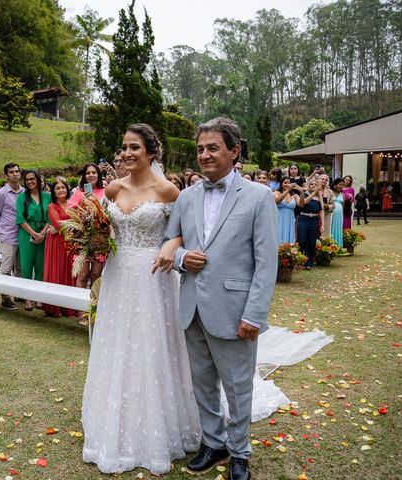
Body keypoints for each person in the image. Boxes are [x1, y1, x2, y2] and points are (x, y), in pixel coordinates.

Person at [161, 117, 278, 479]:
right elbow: (167, 241)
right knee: (202, 382)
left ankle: (240, 452)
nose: (205, 155)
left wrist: (254, 314)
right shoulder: (187, 196)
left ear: (234, 151)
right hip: (192, 305)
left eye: (213, 147)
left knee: (238, 386)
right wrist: (181, 258)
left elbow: (266, 261)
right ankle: (214, 443)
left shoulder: (258, 197)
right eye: (200, 149)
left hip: (236, 309)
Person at [82, 123, 201, 475]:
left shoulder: (169, 191)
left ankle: (160, 424)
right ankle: (112, 420)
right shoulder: (113, 188)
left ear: (151, 152)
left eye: (134, 147)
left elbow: (185, 233)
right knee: (117, 342)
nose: (127, 154)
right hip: (118, 275)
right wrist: (92, 243)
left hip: (153, 278)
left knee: (151, 345)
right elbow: (102, 228)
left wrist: (172, 243)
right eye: (123, 147)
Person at [0, 163, 24, 310]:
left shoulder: (24, 191)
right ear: (6, 175)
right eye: (11, 172)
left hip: (23, 235)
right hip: (8, 236)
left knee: (20, 268)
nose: (15, 174)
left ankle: (18, 293)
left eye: (17, 171)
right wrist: (1, 231)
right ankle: (5, 297)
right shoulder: (2, 193)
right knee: (6, 267)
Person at [16, 170, 51, 311]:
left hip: (43, 234)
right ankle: (28, 299)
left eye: (32, 179)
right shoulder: (21, 197)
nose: (30, 181)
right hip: (26, 234)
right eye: (27, 179)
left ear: (38, 179)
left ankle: (39, 298)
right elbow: (20, 218)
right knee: (26, 267)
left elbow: (50, 217)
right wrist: (34, 234)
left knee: (41, 267)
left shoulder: (47, 197)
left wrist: (42, 233)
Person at [69, 163, 106, 294]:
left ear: (98, 175)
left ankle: (93, 309)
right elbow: (70, 210)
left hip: (100, 236)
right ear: (84, 176)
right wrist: (83, 209)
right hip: (83, 236)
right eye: (88, 173)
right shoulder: (79, 192)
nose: (91, 175)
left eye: (94, 172)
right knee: (83, 275)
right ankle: (80, 310)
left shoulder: (105, 191)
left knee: (96, 275)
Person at [42, 177, 75, 317]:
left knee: (69, 270)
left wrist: (68, 225)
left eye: (63, 187)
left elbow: (81, 220)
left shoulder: (73, 203)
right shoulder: (51, 206)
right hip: (56, 243)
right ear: (53, 192)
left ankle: (69, 307)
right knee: (57, 269)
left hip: (71, 241)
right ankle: (54, 306)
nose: (61, 190)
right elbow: (57, 224)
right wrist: (72, 224)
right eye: (57, 188)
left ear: (67, 189)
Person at [297, 178, 324, 269]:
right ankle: (299, 261)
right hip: (304, 218)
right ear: (308, 186)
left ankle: (309, 263)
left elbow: (321, 210)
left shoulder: (319, 196)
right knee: (301, 240)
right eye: (311, 184)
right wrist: (314, 193)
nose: (313, 185)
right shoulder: (305, 194)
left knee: (312, 241)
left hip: (314, 220)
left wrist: (323, 224)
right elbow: (304, 202)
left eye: (315, 184)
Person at [274, 177, 304, 244]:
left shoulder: (295, 195)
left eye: (288, 183)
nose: (287, 184)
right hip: (279, 219)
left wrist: (301, 192)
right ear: (281, 183)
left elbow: (301, 204)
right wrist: (287, 190)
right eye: (285, 183)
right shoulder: (277, 192)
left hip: (290, 220)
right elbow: (277, 201)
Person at [318, 174, 334, 239]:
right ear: (318, 180)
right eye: (322, 179)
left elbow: (333, 205)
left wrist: (328, 206)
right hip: (316, 215)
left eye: (326, 180)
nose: (324, 181)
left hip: (326, 215)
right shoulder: (314, 189)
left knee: (325, 233)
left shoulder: (330, 192)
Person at [330, 178, 344, 247]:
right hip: (331, 214)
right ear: (335, 185)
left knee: (338, 229)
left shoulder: (342, 195)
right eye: (340, 184)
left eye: (342, 185)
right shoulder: (330, 192)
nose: (341, 186)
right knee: (330, 228)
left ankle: (338, 246)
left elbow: (342, 206)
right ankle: (330, 245)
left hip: (339, 215)